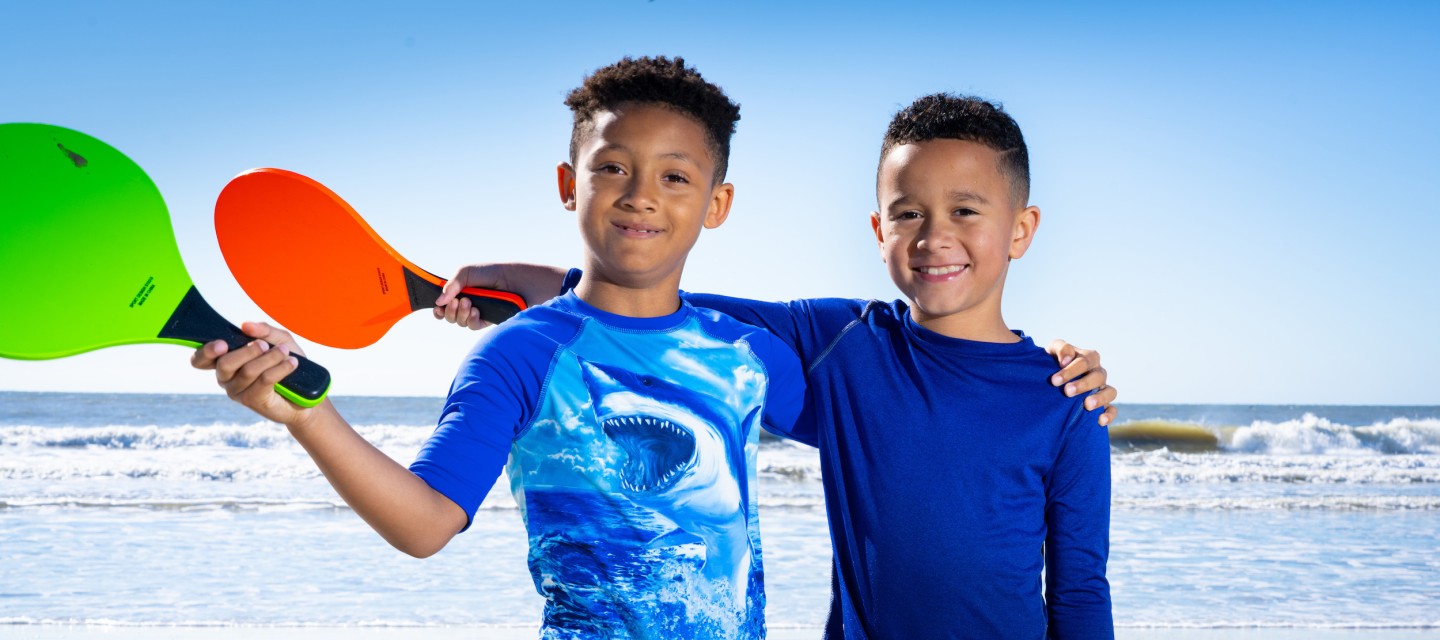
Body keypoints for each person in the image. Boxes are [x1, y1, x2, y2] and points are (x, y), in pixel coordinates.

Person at [439, 94, 1116, 638]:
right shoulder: (847, 341)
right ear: (879, 231)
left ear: (1020, 230)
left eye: (965, 211)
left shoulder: (1066, 398)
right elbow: (657, 306)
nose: (934, 236)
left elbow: (1080, 588)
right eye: (907, 213)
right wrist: (507, 285)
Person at [191, 56, 818, 638]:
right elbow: (426, 523)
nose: (640, 195)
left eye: (675, 176)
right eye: (612, 168)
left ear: (717, 204)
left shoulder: (746, 354)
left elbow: (879, 430)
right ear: (569, 184)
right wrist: (310, 415)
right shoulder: (522, 353)